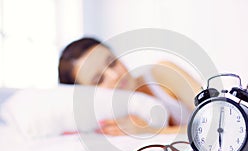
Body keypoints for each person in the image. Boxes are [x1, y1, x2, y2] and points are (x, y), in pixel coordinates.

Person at [58, 37, 202, 136]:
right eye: (99, 79)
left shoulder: (162, 73)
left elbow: (216, 121)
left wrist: (151, 131)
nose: (114, 75)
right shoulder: (112, 121)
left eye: (112, 62)